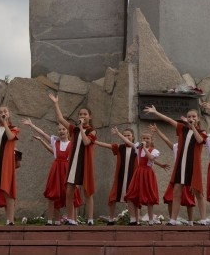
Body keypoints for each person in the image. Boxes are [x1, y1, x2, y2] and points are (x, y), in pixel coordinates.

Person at [144, 104, 208, 225]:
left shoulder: (202, 132)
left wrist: (193, 127)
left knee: (198, 192)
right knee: (176, 191)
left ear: (198, 118)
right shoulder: (182, 128)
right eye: (189, 116)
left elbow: (199, 140)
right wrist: (155, 112)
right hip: (181, 165)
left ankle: (203, 219)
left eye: (194, 116)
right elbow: (169, 120)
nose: (191, 118)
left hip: (193, 165)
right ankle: (173, 219)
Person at [22, 118, 82, 225]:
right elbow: (43, 133)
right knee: (53, 195)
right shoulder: (55, 141)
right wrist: (32, 125)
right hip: (56, 172)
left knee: (72, 195)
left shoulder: (72, 143)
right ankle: (52, 221)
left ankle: (72, 220)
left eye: (64, 129)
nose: (61, 131)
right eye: (59, 130)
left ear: (68, 131)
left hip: (67, 171)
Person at [48, 93, 96, 225]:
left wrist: (81, 128)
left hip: (85, 163)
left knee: (87, 192)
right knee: (69, 191)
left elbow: (86, 143)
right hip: (73, 163)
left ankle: (90, 219)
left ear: (89, 117)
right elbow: (60, 118)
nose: (82, 116)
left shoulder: (92, 131)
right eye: (80, 114)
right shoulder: (73, 129)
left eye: (85, 114)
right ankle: (70, 219)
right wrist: (56, 103)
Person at [93, 126, 138, 223]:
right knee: (112, 198)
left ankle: (135, 220)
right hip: (119, 178)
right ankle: (111, 219)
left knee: (134, 200)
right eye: (125, 135)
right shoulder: (119, 147)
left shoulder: (137, 148)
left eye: (128, 135)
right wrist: (95, 142)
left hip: (132, 179)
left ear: (133, 137)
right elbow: (107, 145)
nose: (126, 137)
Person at [122, 127, 162, 224]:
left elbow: (151, 158)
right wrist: (119, 133)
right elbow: (129, 142)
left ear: (151, 140)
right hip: (139, 173)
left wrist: (144, 147)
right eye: (143, 138)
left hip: (148, 174)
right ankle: (133, 219)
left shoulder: (154, 150)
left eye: (147, 138)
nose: (145, 140)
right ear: (141, 140)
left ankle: (151, 220)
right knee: (131, 195)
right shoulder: (137, 148)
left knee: (149, 198)